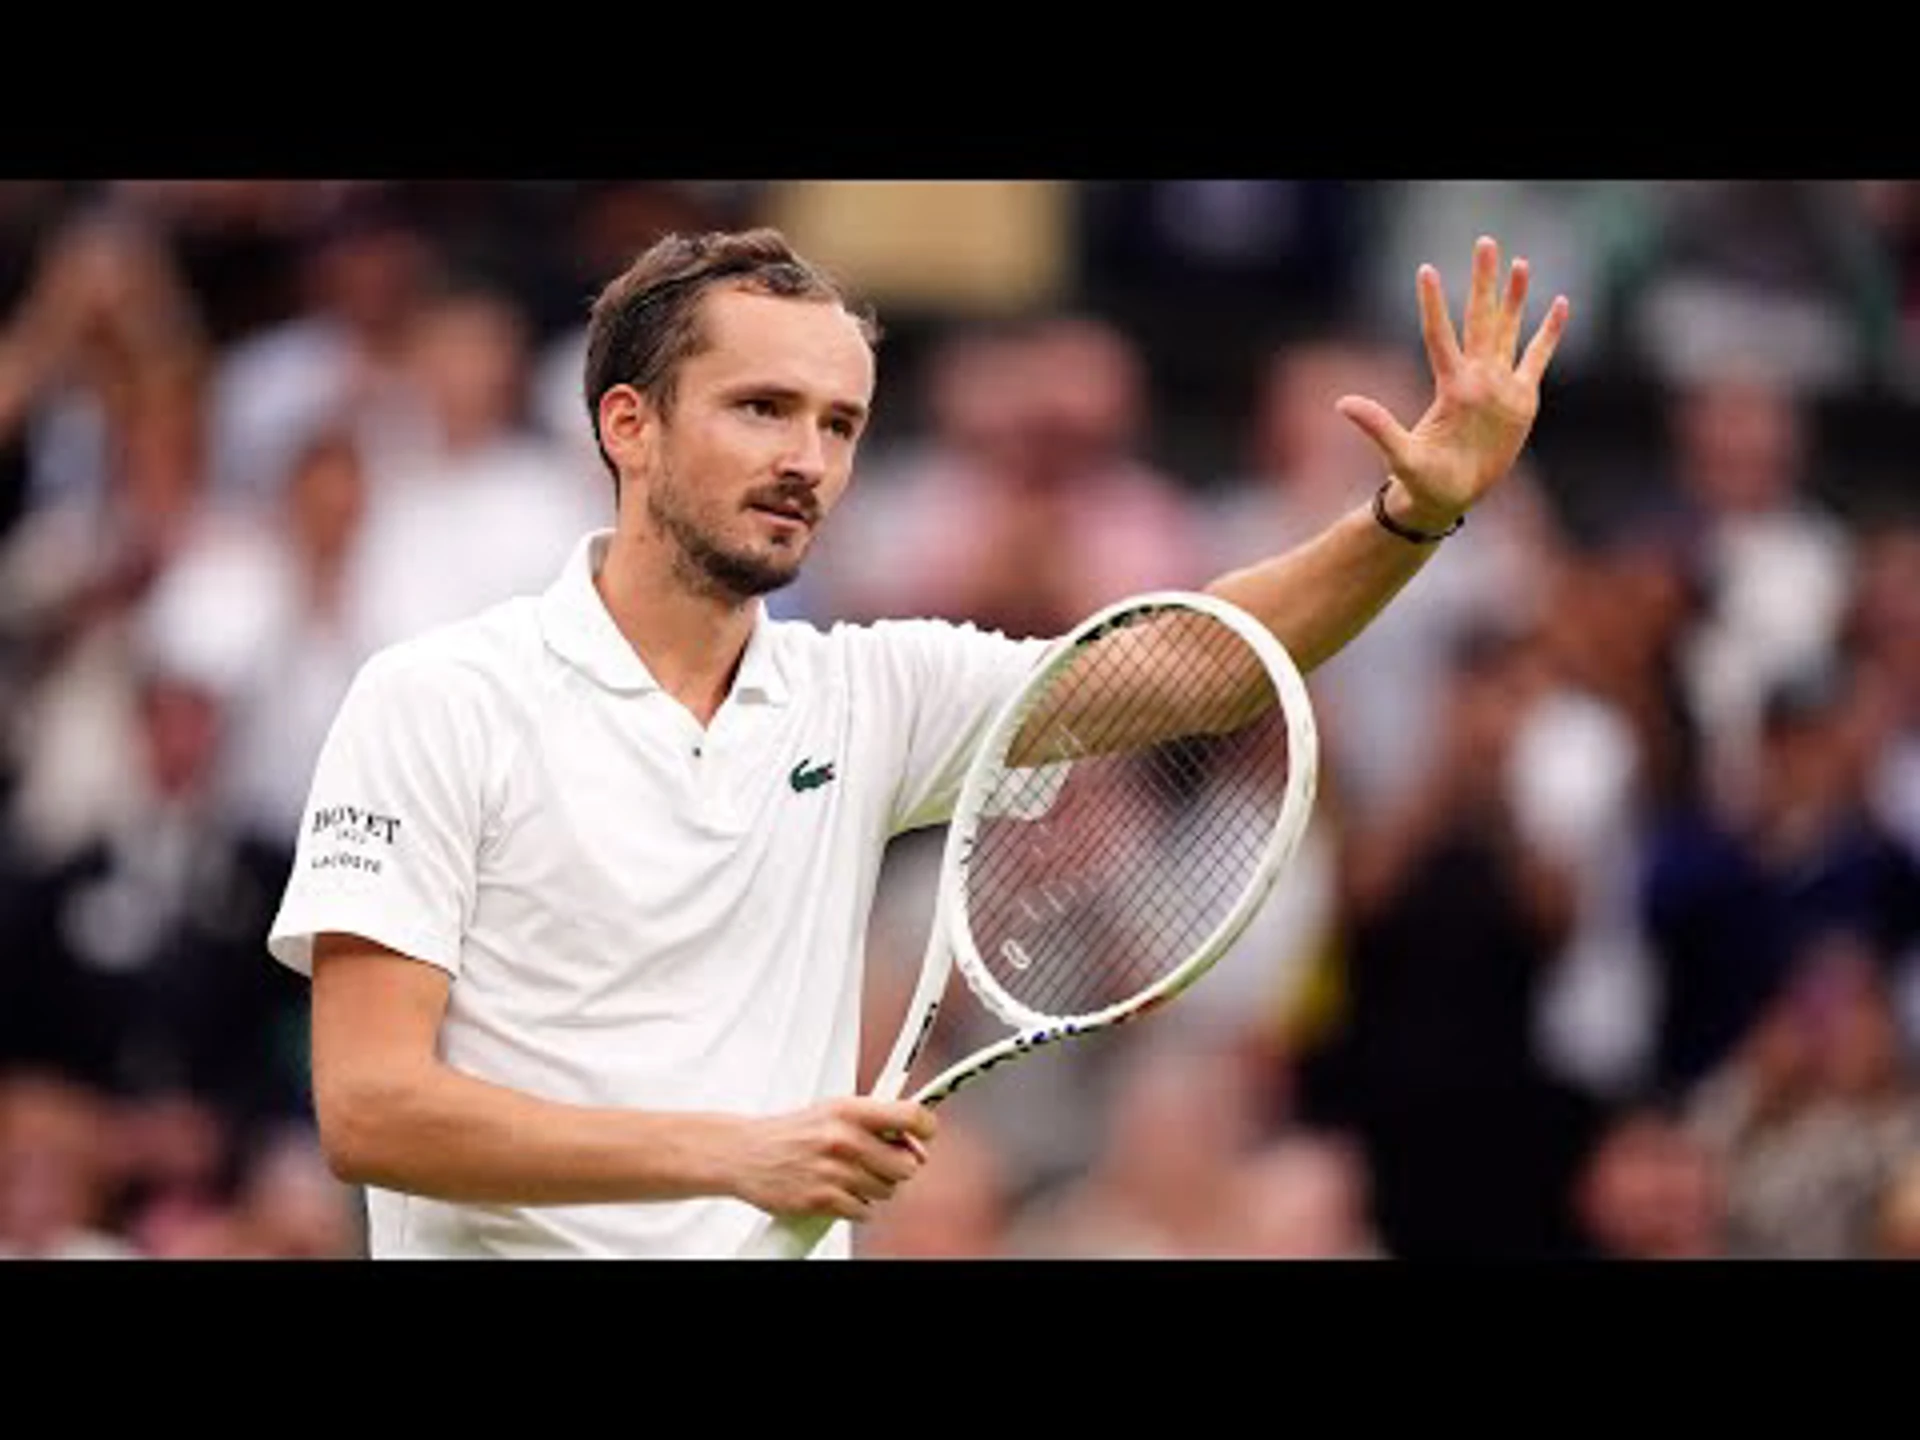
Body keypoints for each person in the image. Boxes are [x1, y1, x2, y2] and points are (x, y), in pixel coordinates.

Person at [265, 227, 1569, 1259]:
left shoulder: (873, 694)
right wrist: (734, 1154)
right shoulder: (437, 698)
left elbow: (1204, 666)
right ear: (629, 425)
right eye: (763, 408)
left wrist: (1406, 516)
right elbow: (372, 1109)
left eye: (839, 425)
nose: (808, 460)